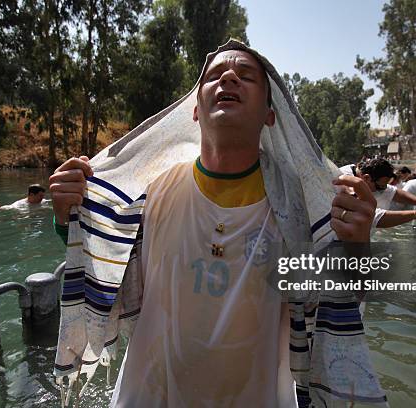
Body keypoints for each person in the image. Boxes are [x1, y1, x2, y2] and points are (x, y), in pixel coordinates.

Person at [50, 43, 384, 407]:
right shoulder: (148, 191)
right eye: (214, 76)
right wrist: (68, 214)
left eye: (246, 76)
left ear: (271, 115)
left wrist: (357, 246)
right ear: (195, 110)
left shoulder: (305, 209)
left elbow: (343, 300)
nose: (228, 77)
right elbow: (104, 264)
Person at [339, 158, 416, 229]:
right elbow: (372, 216)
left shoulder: (365, 176)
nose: (383, 190)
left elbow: (392, 191)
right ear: (367, 178)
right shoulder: (343, 182)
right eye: (380, 187)